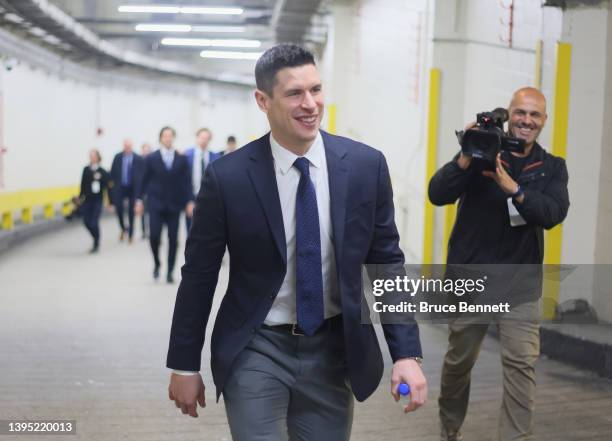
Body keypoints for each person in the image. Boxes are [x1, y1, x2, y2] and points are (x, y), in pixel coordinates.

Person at [166, 44, 427, 441]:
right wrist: (184, 365)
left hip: (333, 350)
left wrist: (406, 353)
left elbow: (386, 262)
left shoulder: (363, 167)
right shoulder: (229, 178)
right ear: (262, 100)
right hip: (257, 346)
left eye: (316, 90)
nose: (310, 104)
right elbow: (199, 274)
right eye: (294, 93)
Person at [429, 87, 570, 441]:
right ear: (510, 114)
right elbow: (437, 193)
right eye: (520, 112)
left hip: (519, 285)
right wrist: (465, 155)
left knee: (521, 365)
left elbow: (553, 213)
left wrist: (514, 189)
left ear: (543, 121)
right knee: (460, 363)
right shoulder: (480, 153)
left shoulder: (552, 168)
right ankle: (450, 426)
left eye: (534, 114)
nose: (526, 120)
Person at [136, 127, 192, 283]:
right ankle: (157, 263)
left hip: (174, 206)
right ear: (160, 138)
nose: (167, 138)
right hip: (155, 205)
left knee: (173, 240)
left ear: (173, 138)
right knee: (154, 237)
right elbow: (143, 180)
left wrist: (189, 201)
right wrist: (139, 200)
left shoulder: (181, 159)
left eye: (170, 136)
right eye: (164, 136)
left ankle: (169, 271)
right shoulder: (151, 158)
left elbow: (186, 182)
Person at [184, 128, 221, 232]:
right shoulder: (187, 156)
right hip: (192, 198)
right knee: (191, 230)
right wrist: (188, 201)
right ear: (197, 138)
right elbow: (184, 182)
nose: (204, 140)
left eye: (206, 138)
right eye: (202, 137)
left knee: (208, 230)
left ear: (210, 140)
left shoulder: (216, 157)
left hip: (210, 199)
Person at [110, 139, 144, 243]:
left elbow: (141, 175)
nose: (127, 148)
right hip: (121, 187)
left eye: (129, 146)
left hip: (133, 188)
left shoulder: (138, 158)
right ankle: (123, 228)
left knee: (131, 211)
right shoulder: (118, 157)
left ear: (132, 146)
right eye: (125, 146)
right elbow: (113, 173)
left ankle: (131, 234)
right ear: (123, 146)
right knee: (119, 209)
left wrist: (140, 194)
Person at [79, 149, 109, 253]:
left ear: (98, 157)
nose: (92, 157)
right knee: (86, 221)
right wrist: (80, 198)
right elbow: (82, 185)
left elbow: (107, 187)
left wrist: (110, 202)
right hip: (87, 200)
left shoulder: (103, 171)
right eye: (90, 155)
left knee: (94, 222)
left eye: (94, 155)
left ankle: (96, 242)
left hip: (97, 200)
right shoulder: (86, 170)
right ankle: (94, 236)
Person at [139, 143, 152, 239]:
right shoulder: (139, 162)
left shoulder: (153, 161)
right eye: (145, 150)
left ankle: (152, 230)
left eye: (148, 150)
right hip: (143, 191)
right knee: (143, 212)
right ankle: (144, 231)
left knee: (152, 212)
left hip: (152, 192)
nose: (146, 152)